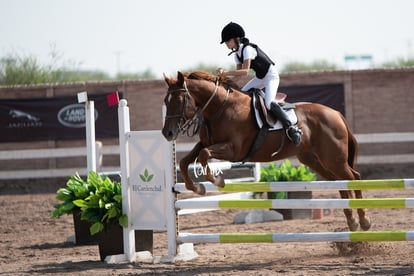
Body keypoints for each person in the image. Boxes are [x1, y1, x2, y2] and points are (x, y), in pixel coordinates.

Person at [217, 22, 301, 146]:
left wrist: (226, 72)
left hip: (271, 76)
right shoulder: (237, 55)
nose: (226, 44)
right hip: (260, 78)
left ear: (237, 38)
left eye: (228, 40)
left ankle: (291, 127)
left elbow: (245, 71)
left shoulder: (248, 49)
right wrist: (223, 81)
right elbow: (238, 76)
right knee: (242, 95)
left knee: (268, 103)